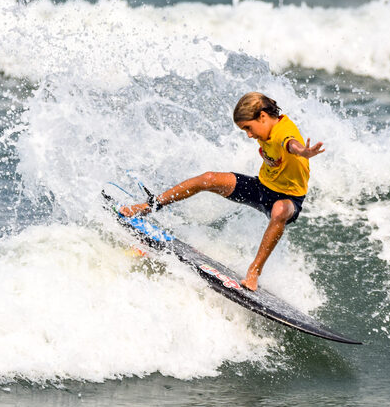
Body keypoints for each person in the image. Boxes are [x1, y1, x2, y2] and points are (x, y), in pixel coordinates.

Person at [120, 92, 324, 291]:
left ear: (262, 116)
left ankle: (254, 270)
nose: (249, 135)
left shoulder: (283, 131)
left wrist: (304, 152)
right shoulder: (266, 128)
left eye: (248, 128)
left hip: (288, 199)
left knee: (279, 211)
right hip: (260, 188)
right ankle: (150, 205)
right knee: (208, 179)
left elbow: (291, 144)